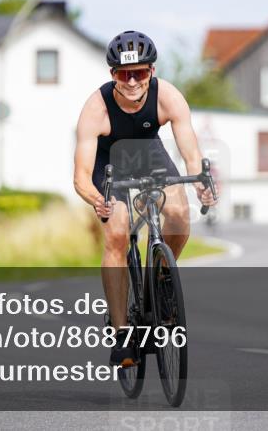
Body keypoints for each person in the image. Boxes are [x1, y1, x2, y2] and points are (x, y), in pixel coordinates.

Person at [73, 30, 217, 366]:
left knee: (180, 214)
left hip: (148, 153)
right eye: (125, 74)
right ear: (113, 75)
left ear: (152, 71)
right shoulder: (96, 108)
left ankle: (162, 278)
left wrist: (199, 181)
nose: (133, 81)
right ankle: (122, 332)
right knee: (118, 233)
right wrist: (97, 199)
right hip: (108, 164)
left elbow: (189, 148)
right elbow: (80, 176)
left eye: (140, 72)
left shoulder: (168, 96)